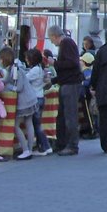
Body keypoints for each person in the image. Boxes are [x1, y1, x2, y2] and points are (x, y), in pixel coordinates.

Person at [47, 25, 82, 156]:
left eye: (51, 38)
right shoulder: (68, 43)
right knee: (63, 116)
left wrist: (54, 64)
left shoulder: (66, 43)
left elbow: (72, 63)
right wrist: (54, 81)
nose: (51, 42)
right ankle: (62, 143)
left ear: (55, 36)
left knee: (69, 116)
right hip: (68, 83)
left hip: (70, 84)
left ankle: (72, 145)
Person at [0, 47, 37, 160]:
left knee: (16, 126)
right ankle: (29, 149)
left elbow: (18, 87)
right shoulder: (14, 68)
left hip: (24, 101)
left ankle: (26, 149)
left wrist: (7, 86)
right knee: (29, 123)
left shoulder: (16, 70)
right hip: (30, 99)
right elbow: (6, 80)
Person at [25, 49, 52, 155]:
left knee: (37, 125)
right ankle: (43, 146)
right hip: (40, 96)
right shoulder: (40, 68)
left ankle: (45, 146)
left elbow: (25, 79)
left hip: (35, 98)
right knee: (37, 124)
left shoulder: (35, 70)